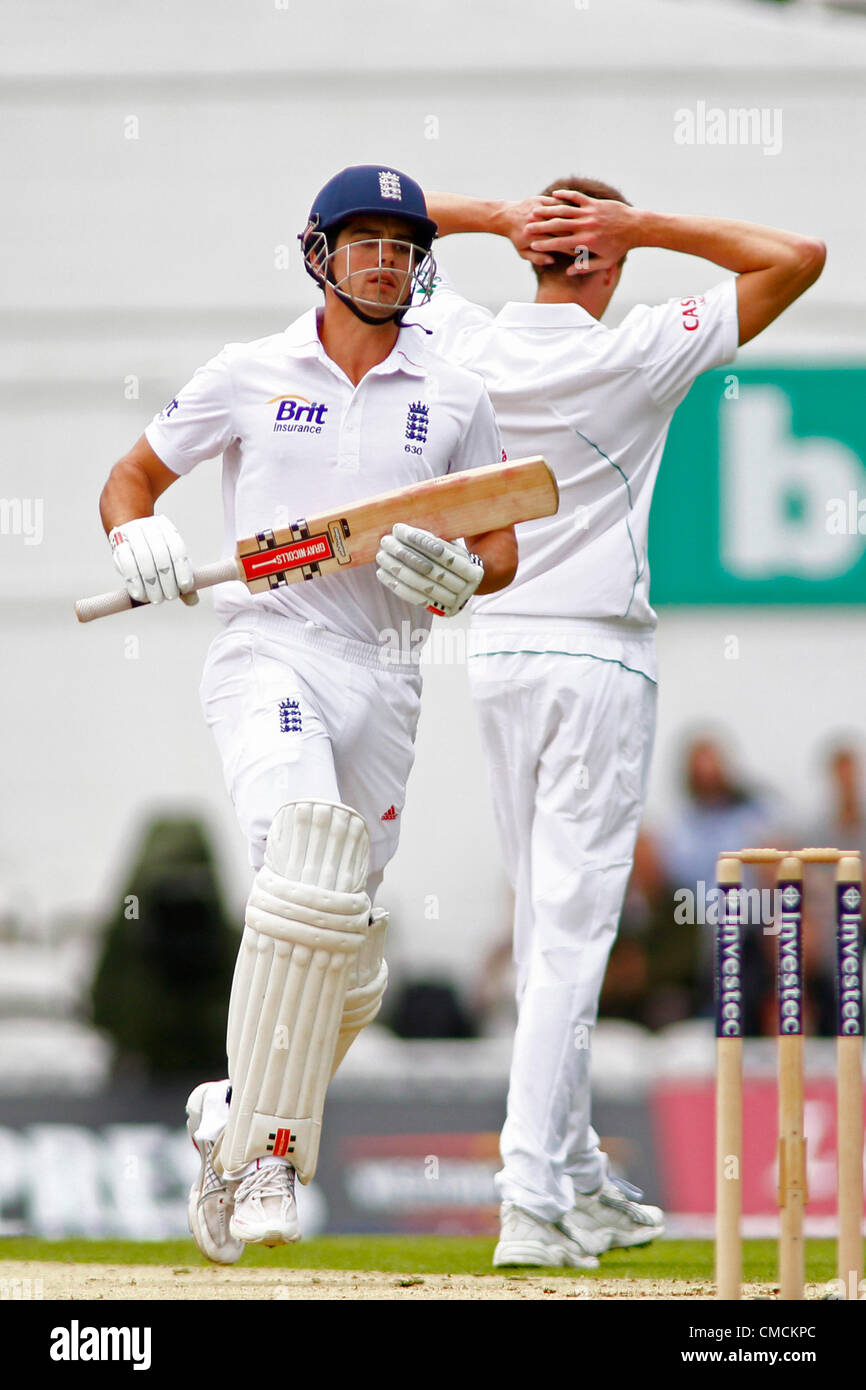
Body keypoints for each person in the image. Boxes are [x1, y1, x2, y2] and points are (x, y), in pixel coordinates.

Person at [97, 164, 533, 1266]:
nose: (384, 258)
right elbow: (134, 478)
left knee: (346, 949)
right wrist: (133, 537)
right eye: (363, 241)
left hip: (386, 668)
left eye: (402, 243)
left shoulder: (455, 392)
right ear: (319, 254)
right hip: (267, 645)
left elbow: (499, 545)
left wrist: (457, 575)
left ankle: (230, 1108)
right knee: (305, 860)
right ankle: (267, 1154)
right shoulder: (248, 373)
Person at [414, 177, 826, 1267]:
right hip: (595, 656)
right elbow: (796, 251)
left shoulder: (463, 337)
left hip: (494, 653)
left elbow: (375, 216)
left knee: (551, 933)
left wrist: (494, 217)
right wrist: (641, 226)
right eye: (613, 245)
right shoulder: (640, 345)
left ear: (537, 255)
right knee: (569, 940)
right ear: (599, 259)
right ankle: (532, 1196)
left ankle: (572, 1174)